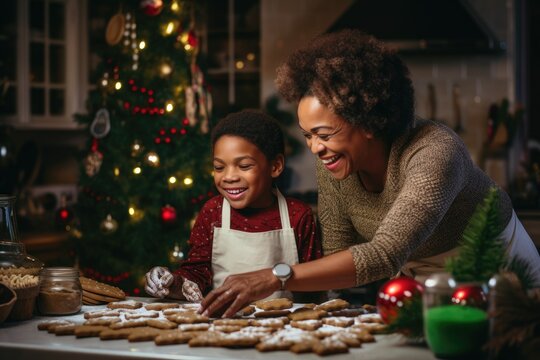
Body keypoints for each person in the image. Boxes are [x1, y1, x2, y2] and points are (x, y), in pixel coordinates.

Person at [199, 29, 540, 318]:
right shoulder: (333, 164)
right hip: (425, 288)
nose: (315, 148)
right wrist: (327, 314)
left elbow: (385, 253)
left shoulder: (435, 151)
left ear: (367, 120)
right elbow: (337, 256)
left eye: (324, 134)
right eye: (308, 135)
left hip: (503, 279)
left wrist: (276, 277)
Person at [144, 109, 322, 303]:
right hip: (223, 323)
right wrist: (172, 284)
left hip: (285, 327)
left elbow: (313, 280)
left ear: (275, 166)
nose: (228, 177)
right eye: (219, 167)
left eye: (244, 166)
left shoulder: (298, 215)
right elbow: (197, 274)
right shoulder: (213, 212)